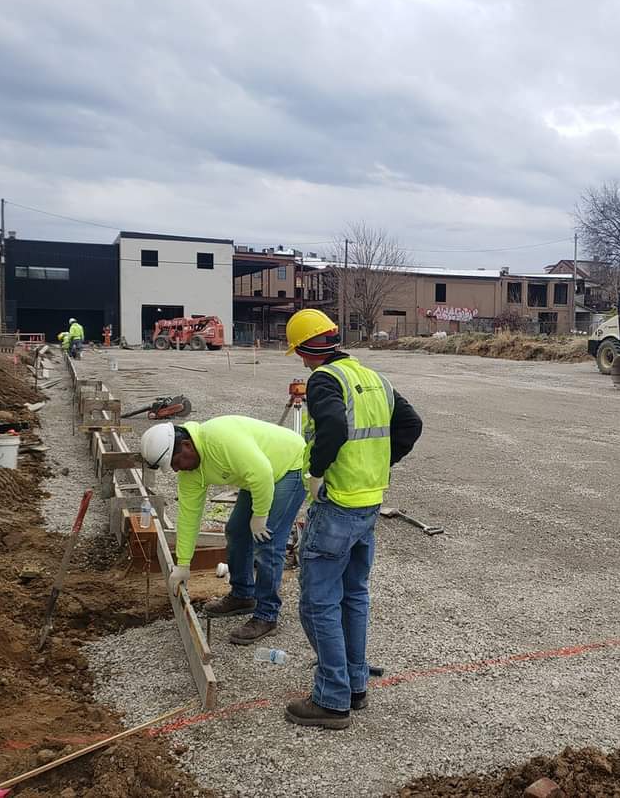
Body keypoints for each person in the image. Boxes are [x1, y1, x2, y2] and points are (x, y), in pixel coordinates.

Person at [283, 309, 422, 729]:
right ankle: (355, 685)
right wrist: (382, 464)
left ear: (307, 349)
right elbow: (411, 424)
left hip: (338, 503)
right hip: (368, 502)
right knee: (354, 595)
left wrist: (316, 473)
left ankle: (332, 698)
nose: (301, 362)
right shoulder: (375, 378)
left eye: (299, 354)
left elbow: (332, 428)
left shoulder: (324, 379)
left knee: (318, 603)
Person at [139, 416, 306, 645]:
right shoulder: (190, 472)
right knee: (237, 531)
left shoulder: (219, 440)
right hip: (257, 476)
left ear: (186, 445)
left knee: (268, 541)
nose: (177, 470)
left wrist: (259, 516)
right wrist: (184, 563)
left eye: (177, 462)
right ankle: (243, 594)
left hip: (289, 465)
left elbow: (262, 474)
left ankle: (267, 615)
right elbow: (189, 517)